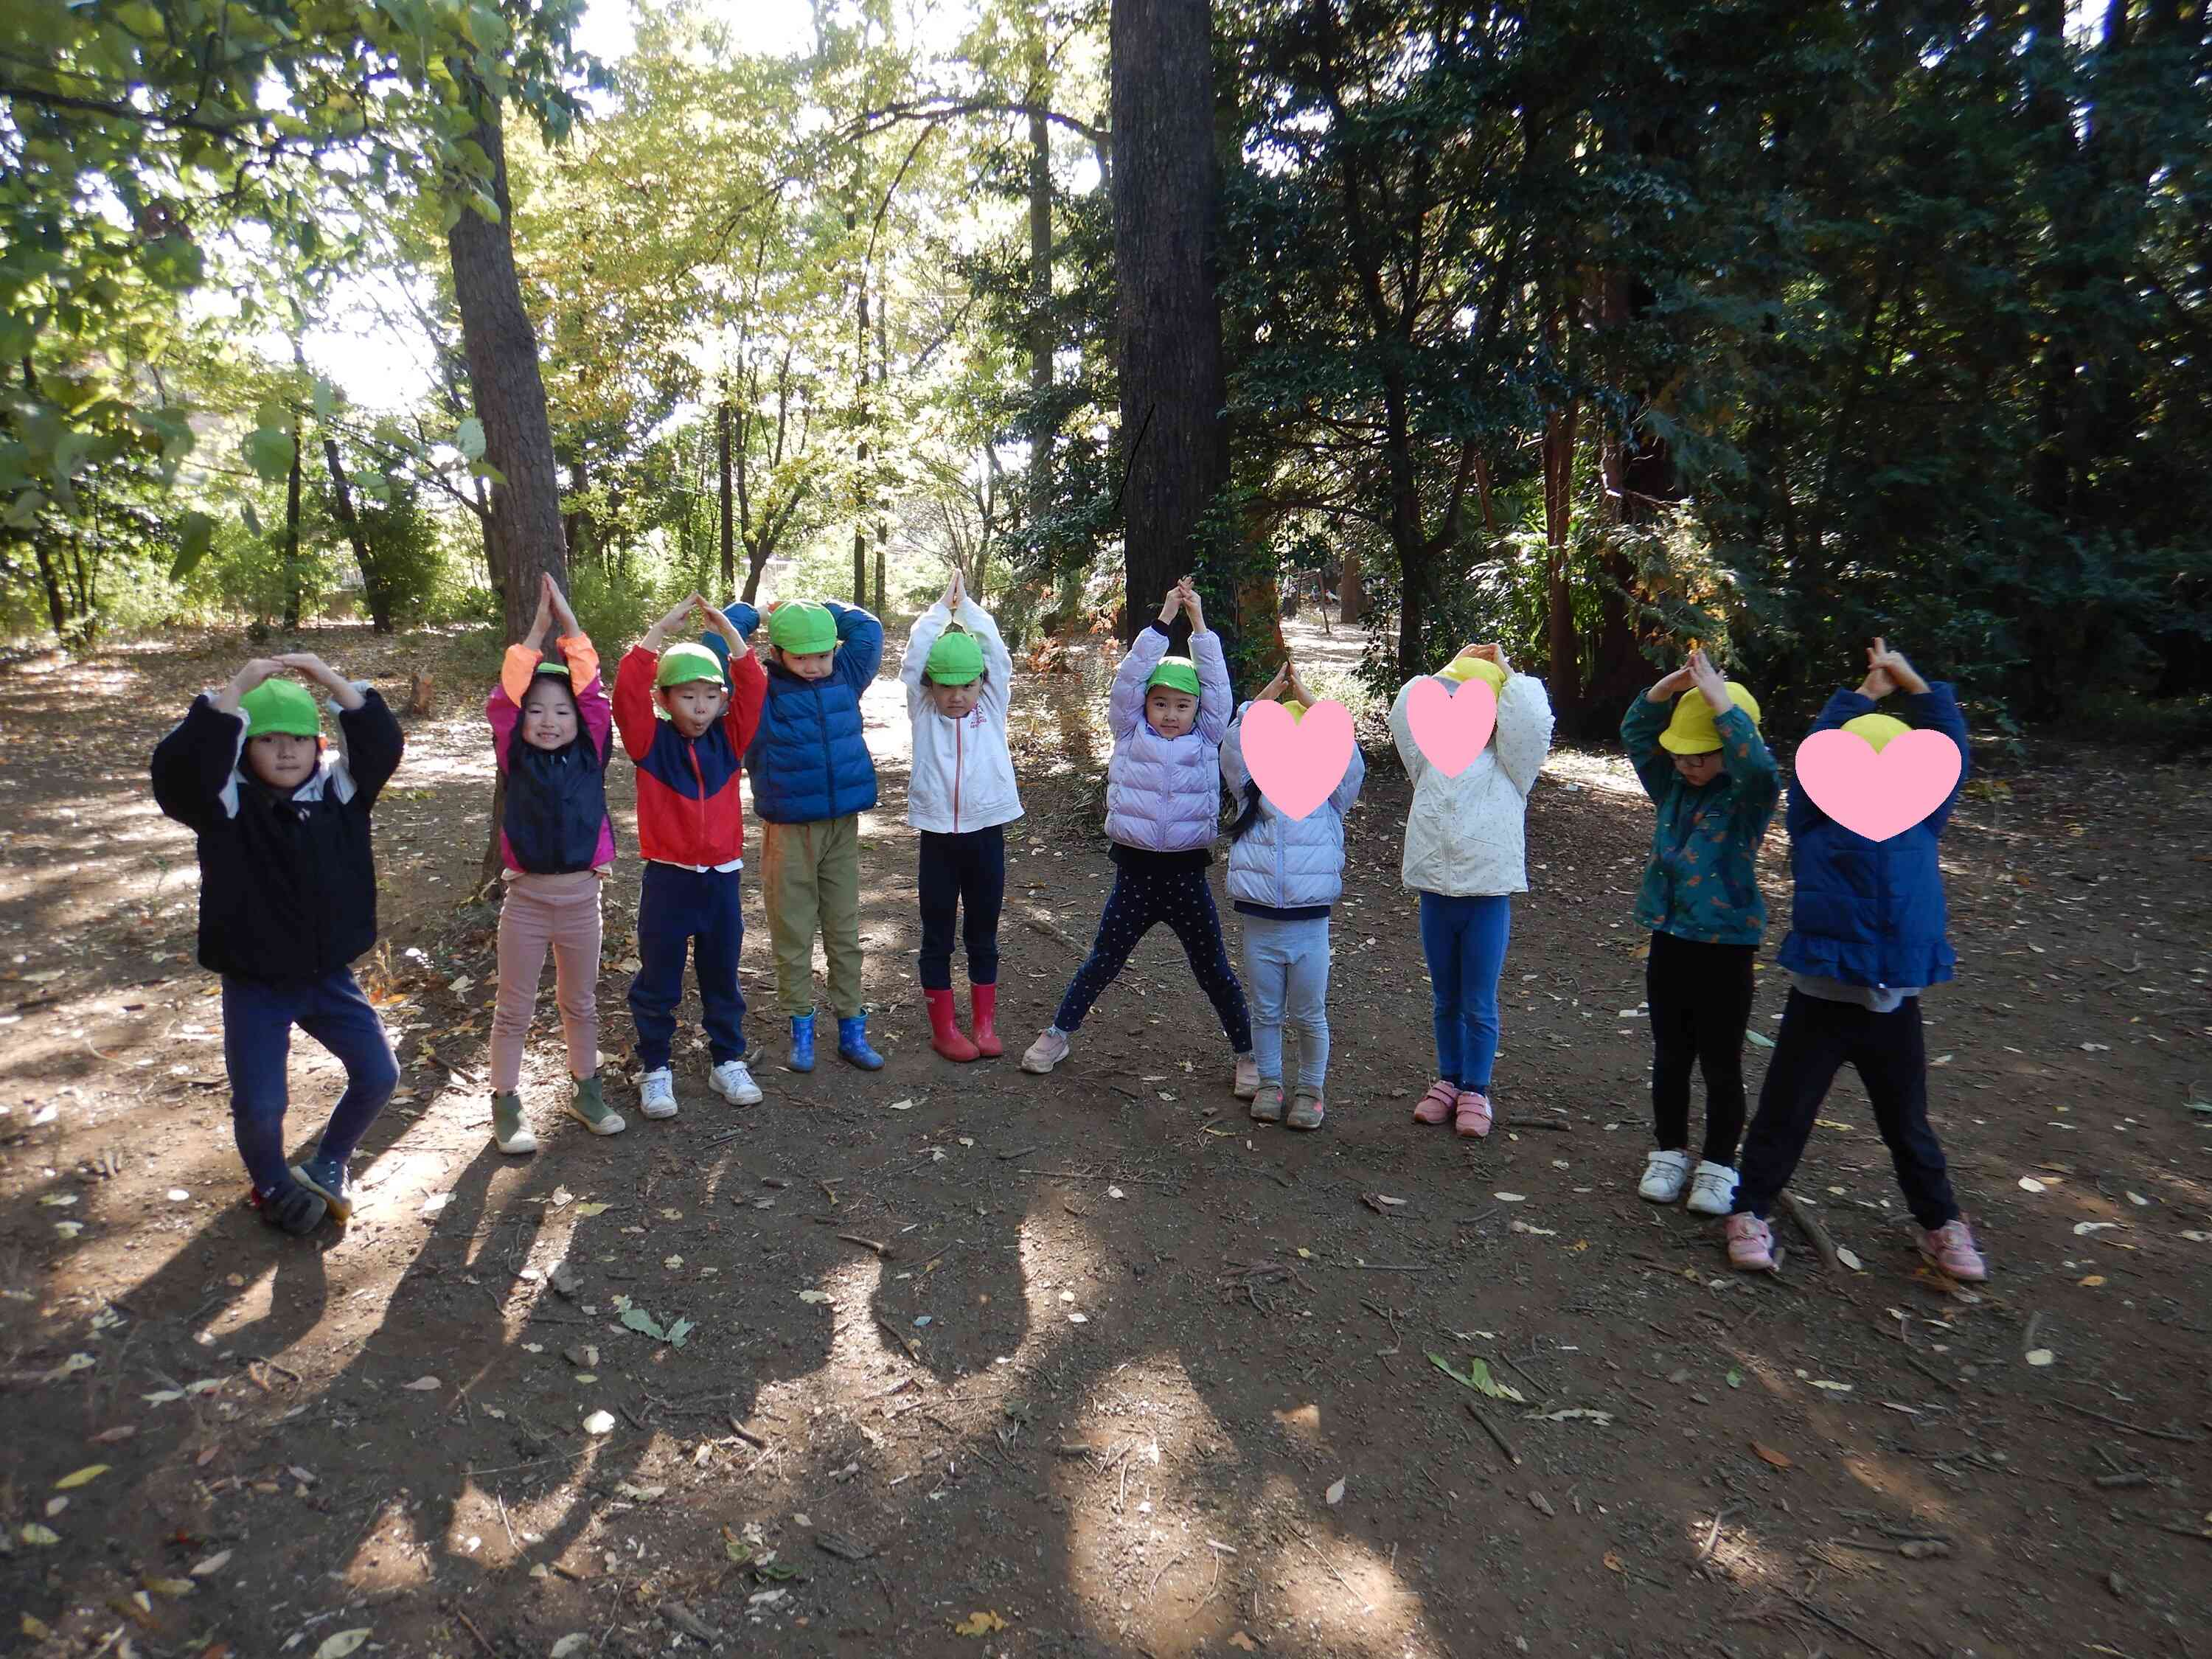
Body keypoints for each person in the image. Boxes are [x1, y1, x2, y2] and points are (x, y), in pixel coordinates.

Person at [1725, 639, 1988, 1281]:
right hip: (1821, 996)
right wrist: (1862, 697)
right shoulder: (1815, 819)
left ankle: (1940, 1222)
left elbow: (1949, 752)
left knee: (1908, 1124)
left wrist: (1917, 683)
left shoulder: (1922, 818)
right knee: (1785, 1114)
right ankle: (1750, 1209)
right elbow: (1819, 746)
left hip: (1893, 1004)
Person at [150, 653, 404, 1235]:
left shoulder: (341, 794)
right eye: (269, 741)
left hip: (326, 977)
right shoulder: (224, 804)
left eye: (298, 738)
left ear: (318, 744)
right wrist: (237, 688)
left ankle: (331, 1160)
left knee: (378, 1073)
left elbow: (380, 744)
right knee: (262, 1106)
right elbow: (181, 772)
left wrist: (329, 678)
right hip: (255, 985)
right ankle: (270, 1185)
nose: (286, 751)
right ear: (243, 750)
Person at [1022, 578, 1256, 1091]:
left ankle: (1247, 1054)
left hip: (1187, 877)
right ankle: (1058, 1033)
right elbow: (1129, 679)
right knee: (1103, 959)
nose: (1171, 714)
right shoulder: (1128, 731)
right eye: (1161, 704)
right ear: (1145, 706)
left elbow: (1217, 687)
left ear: (1197, 712)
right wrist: (1165, 615)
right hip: (1135, 876)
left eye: (1181, 706)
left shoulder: (1207, 738)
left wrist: (1198, 624)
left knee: (1214, 969)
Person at [1620, 647, 1781, 1213]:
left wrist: (1721, 704)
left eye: (1701, 757)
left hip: (1728, 946)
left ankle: (1717, 1164)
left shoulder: (1746, 800)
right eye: (1682, 757)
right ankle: (1668, 1152)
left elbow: (1759, 767)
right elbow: (1639, 736)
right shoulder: (1672, 789)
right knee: (1670, 1054)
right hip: (1670, 939)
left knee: (1721, 1061)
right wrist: (1667, 689)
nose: (1688, 766)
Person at [710, 594, 886, 1071]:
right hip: (787, 831)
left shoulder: (845, 677)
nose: (814, 666)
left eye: (823, 654)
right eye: (802, 656)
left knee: (845, 931)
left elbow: (868, 630)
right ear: (778, 653)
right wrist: (756, 613)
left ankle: (852, 1025)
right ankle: (801, 1026)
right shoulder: (758, 693)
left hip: (841, 829)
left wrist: (817, 607)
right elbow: (713, 649)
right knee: (792, 932)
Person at [611, 594, 768, 1119]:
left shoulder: (730, 739)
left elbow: (754, 687)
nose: (699, 708)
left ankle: (727, 1060)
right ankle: (656, 1068)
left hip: (721, 880)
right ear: (664, 699)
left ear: (722, 703)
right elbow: (626, 694)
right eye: (687, 697)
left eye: (709, 697)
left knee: (722, 974)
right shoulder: (648, 742)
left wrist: (729, 633)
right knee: (658, 979)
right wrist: (658, 630)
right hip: (668, 881)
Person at [1389, 643, 1555, 1138]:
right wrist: (1450, 665)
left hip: (1486, 899)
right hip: (1436, 897)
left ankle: (1476, 1091)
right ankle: (1449, 1080)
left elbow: (1533, 721)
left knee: (1478, 1001)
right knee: (1445, 999)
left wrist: (1506, 670)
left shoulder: (1511, 766)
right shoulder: (1428, 762)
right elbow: (1407, 709)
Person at [484, 573, 623, 1153]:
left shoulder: (591, 751)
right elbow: (506, 696)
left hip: (580, 902)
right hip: (527, 903)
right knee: (514, 1006)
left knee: (580, 1002)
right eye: (537, 710)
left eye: (560, 711)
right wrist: (538, 631)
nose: (548, 720)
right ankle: (506, 1102)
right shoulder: (512, 750)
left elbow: (592, 693)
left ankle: (586, 1088)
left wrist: (571, 628)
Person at [1220, 656, 1366, 1128]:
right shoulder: (1250, 793)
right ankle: (1270, 1084)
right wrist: (1259, 704)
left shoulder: (1330, 796)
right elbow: (1231, 749)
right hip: (1260, 922)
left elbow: (1349, 760)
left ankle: (1310, 1091)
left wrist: (1312, 703)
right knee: (1264, 1013)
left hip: (1309, 926)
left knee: (1309, 1015)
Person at [900, 569, 1022, 1060]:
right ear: (930, 687)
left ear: (981, 685)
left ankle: (985, 1024)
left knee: (983, 930)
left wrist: (967, 610)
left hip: (985, 834)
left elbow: (998, 657)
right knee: (936, 932)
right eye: (946, 686)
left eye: (966, 686)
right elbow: (911, 666)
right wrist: (937, 614)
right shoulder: (923, 710)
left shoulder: (990, 707)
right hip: (937, 838)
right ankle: (944, 1028)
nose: (956, 696)